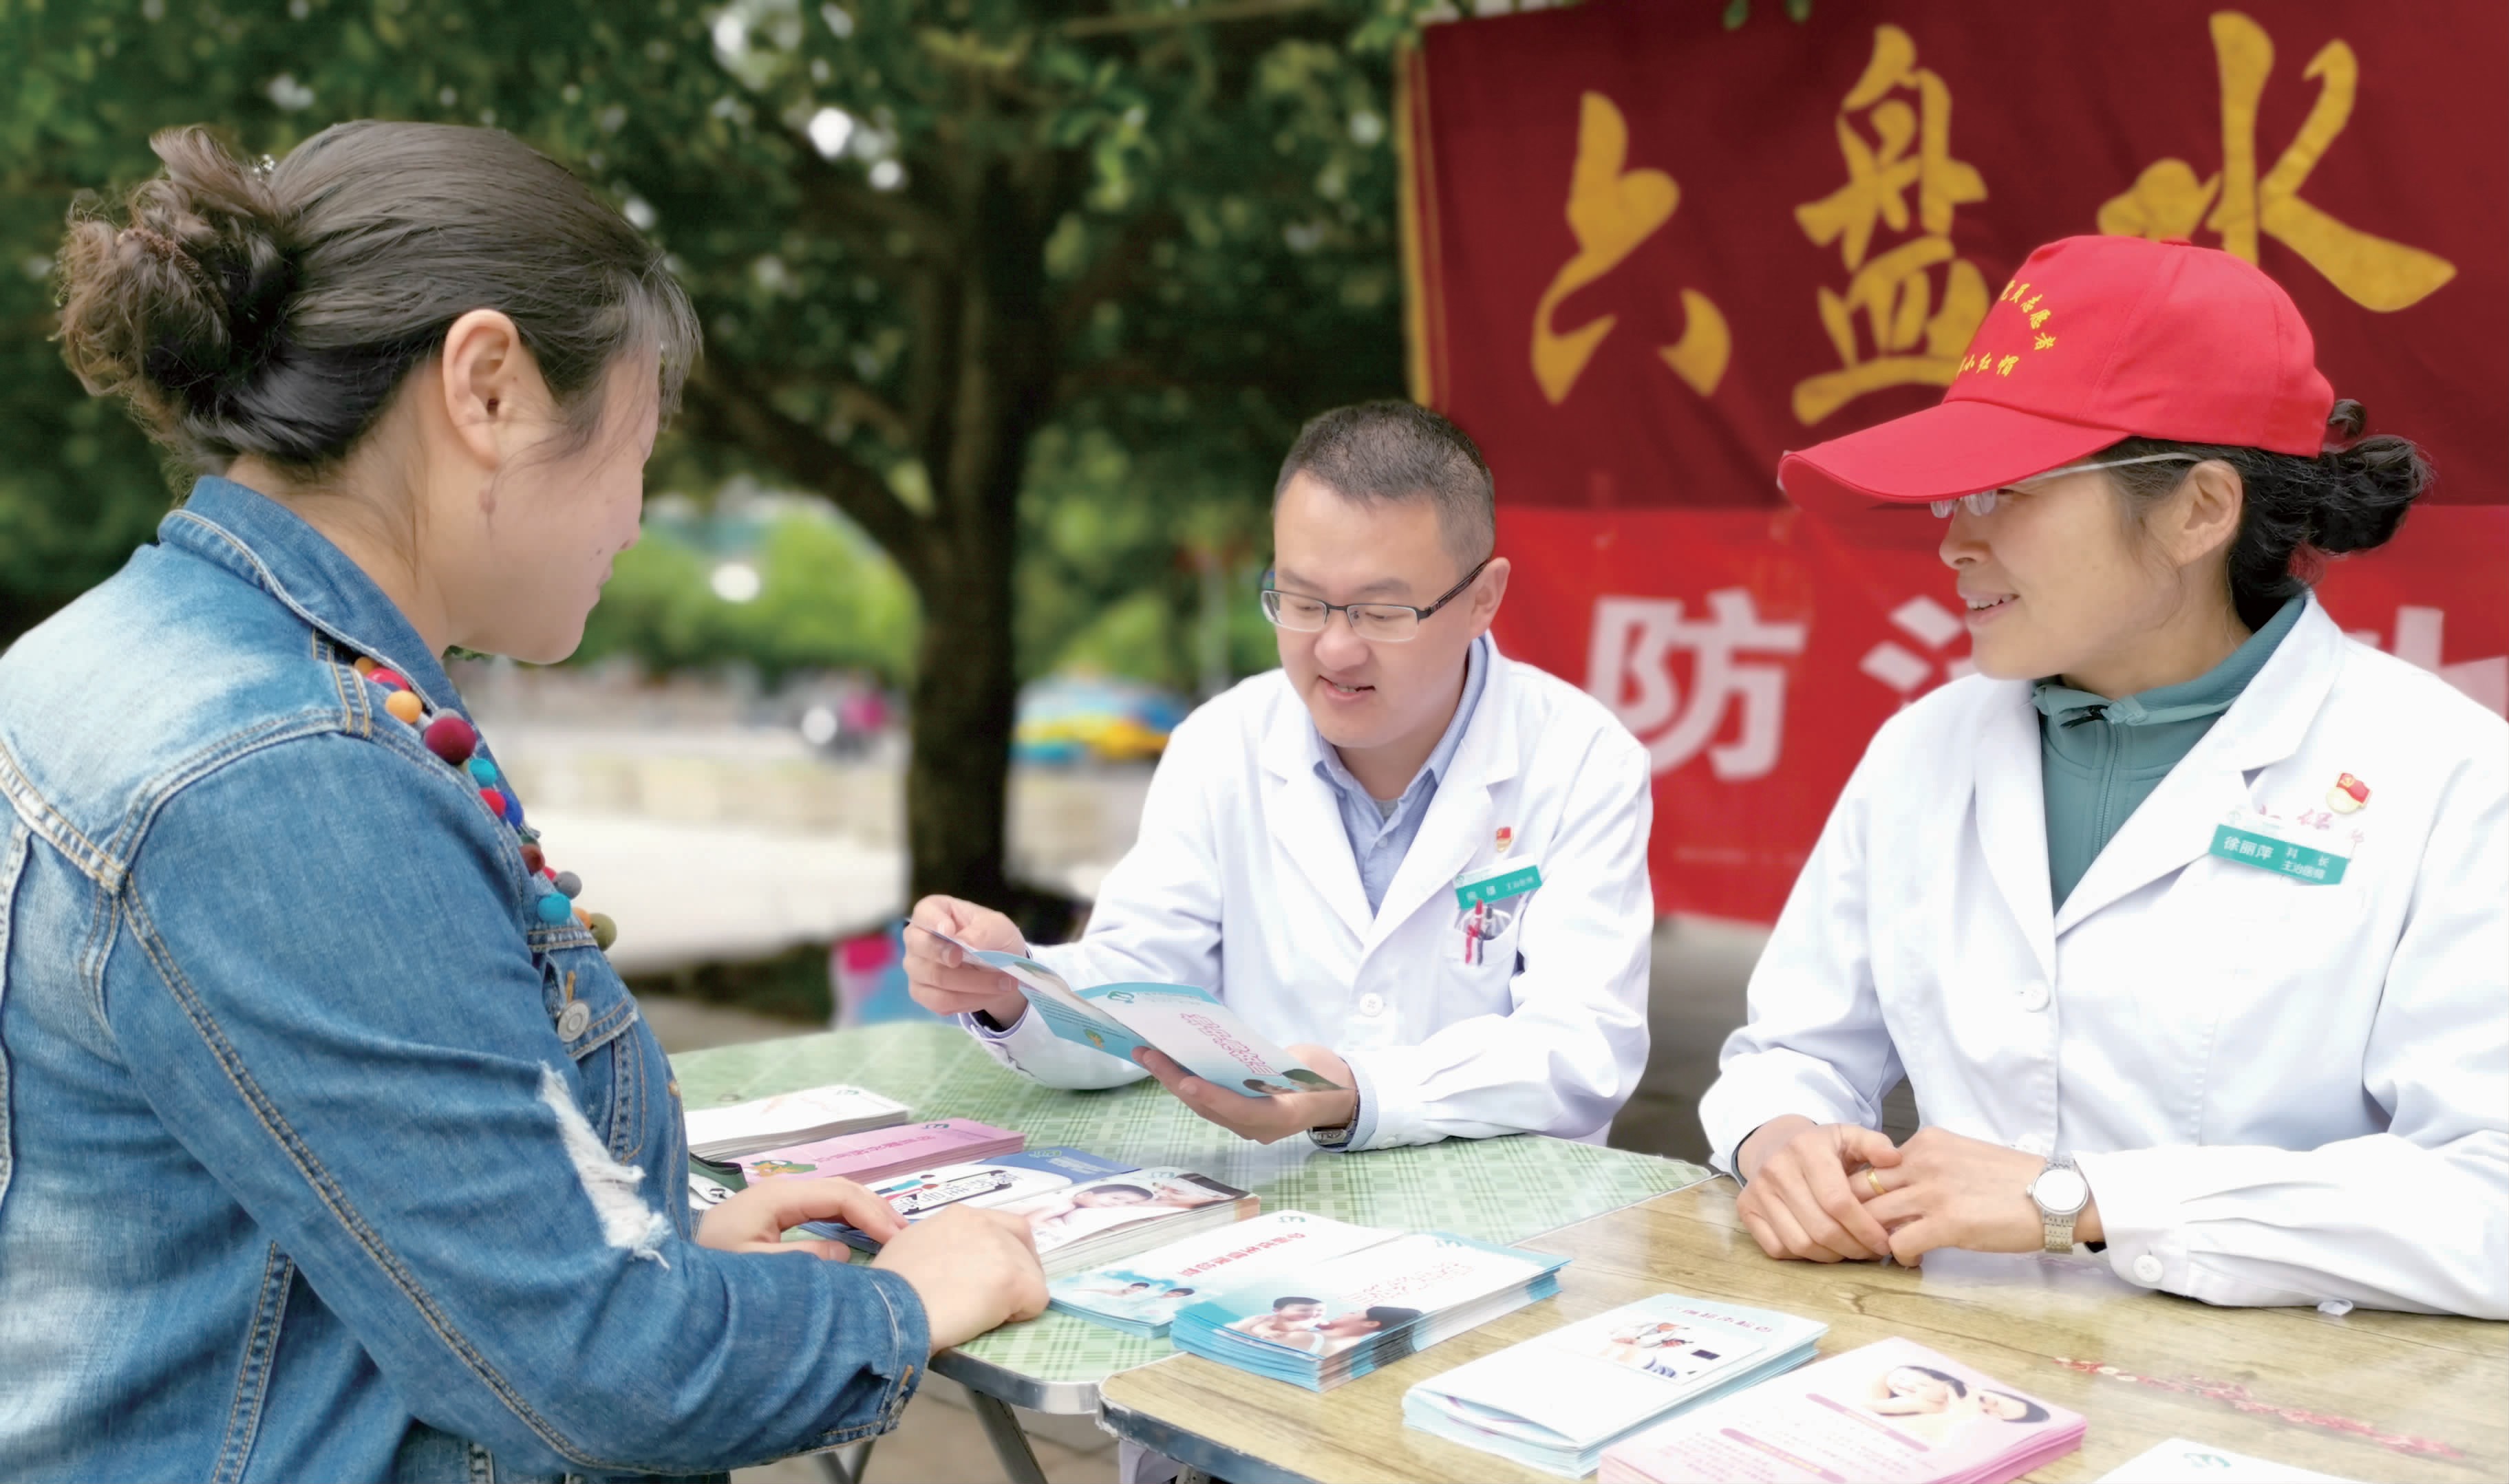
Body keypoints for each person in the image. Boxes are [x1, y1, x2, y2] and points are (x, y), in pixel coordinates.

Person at [0, 123, 1047, 1483]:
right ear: (488, 385)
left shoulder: (109, 658)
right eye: (635, 449)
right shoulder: (287, 769)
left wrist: (636, 1240)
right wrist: (906, 1299)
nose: (633, 518)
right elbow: (603, 1373)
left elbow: (254, 1195)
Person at [1702, 235, 2507, 1320]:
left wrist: (2081, 1202)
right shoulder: (1923, 750)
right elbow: (1791, 1047)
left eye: (2007, 491)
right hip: (1947, 1378)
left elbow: (2485, 1205)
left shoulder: (2447, 777)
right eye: (1953, 496)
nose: (1953, 544)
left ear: (2198, 511)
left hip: (2272, 1413)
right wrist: (1779, 1134)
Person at [907, 401, 1654, 1152]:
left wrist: (1355, 1094)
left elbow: (1581, 1049)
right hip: (1273, 1206)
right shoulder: (1220, 744)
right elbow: (1145, 982)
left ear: (1482, 600)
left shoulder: (1583, 761)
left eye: (1381, 612)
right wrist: (1018, 988)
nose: (1333, 649)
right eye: (1300, 602)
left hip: (1513, 1213)